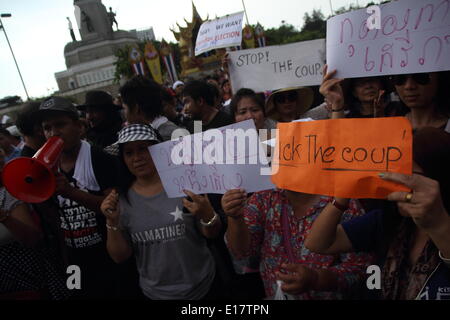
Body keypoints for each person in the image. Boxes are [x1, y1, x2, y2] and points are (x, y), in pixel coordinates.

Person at [305, 127, 450, 300]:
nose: (398, 187)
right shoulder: (388, 220)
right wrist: (342, 196)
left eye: (409, 177)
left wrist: (438, 224)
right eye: (395, 174)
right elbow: (318, 244)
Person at [100, 124, 222, 299]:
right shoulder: (120, 200)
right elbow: (120, 257)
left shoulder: (184, 184)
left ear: (158, 150)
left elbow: (211, 233)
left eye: (143, 149)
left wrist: (207, 214)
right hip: (155, 294)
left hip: (204, 287)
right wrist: (111, 222)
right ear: (123, 158)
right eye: (129, 152)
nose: (137, 158)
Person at [37, 96, 121, 299]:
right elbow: (54, 218)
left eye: (60, 125)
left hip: (108, 257)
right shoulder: (43, 166)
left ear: (79, 126)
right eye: (47, 128)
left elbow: (116, 209)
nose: (54, 133)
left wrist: (71, 193)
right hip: (74, 263)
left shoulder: (101, 159)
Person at [222, 187, 373, 299]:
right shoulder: (263, 197)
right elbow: (242, 252)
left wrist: (316, 279)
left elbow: (359, 270)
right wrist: (235, 218)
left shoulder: (343, 204)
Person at [120, 76, 180, 141]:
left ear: (136, 109)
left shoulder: (158, 139)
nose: (124, 114)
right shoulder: (171, 130)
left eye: (124, 108)